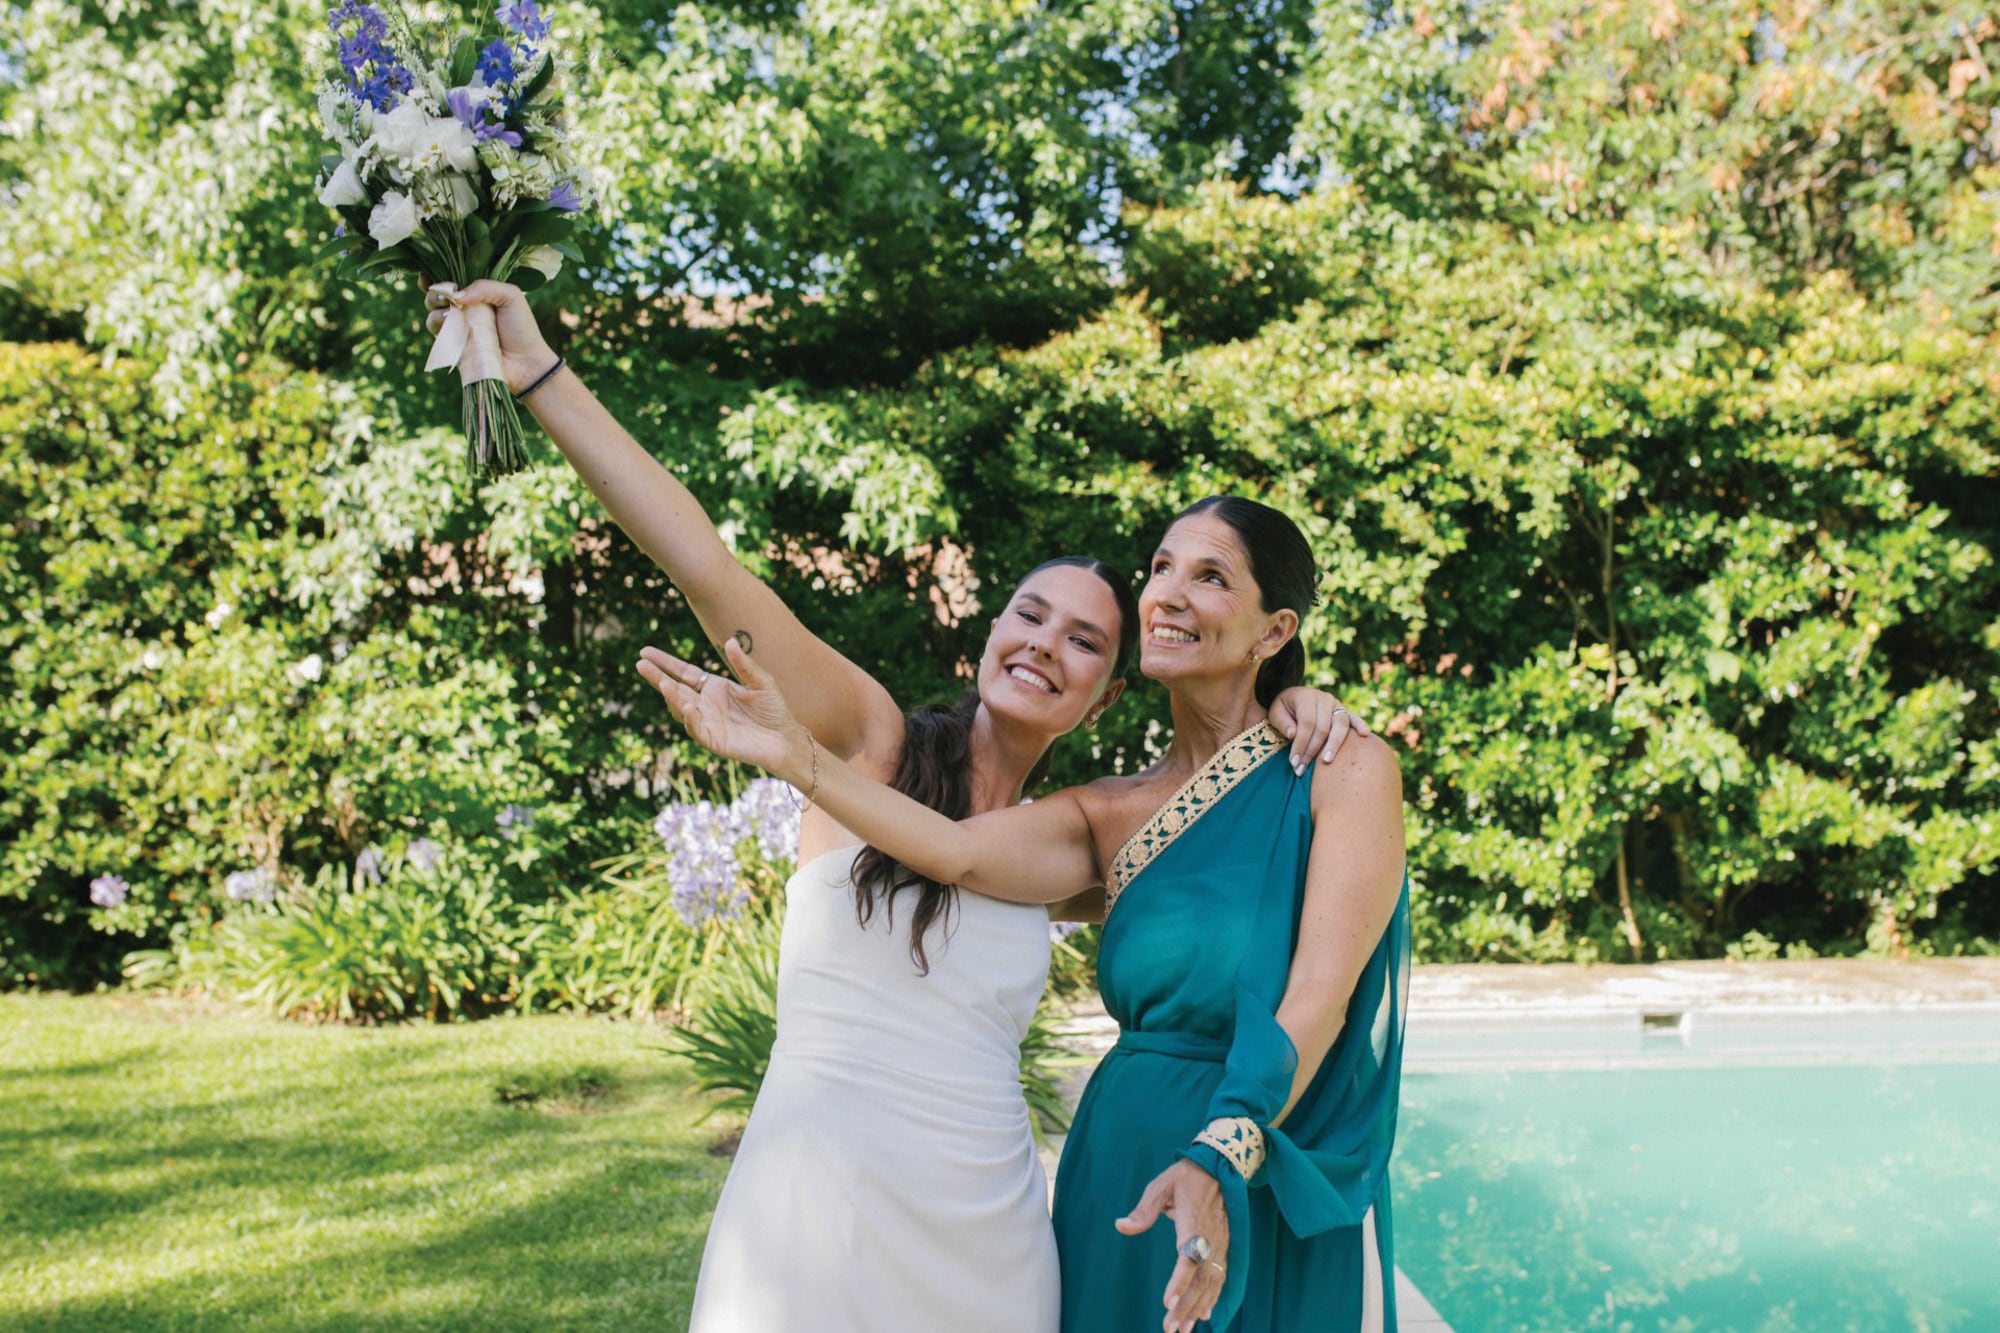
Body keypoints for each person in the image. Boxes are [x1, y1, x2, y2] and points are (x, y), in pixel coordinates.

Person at [418, 283, 1368, 1332]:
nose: (1042, 646)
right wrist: (539, 376)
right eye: (1028, 613)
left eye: (1084, 642)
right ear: (988, 628)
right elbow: (703, 566)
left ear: (1108, 690)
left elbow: (1236, 881)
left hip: (990, 1236)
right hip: (813, 1207)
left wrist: (1295, 702)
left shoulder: (1084, 842)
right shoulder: (868, 740)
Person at [640, 495, 1409, 1333]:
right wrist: (799, 757)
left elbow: (1322, 996)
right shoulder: (1108, 812)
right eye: (1161, 568)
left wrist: (1223, 1150)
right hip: (1118, 1161)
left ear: (1273, 630)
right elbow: (953, 849)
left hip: (1246, 1154)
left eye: (1212, 575)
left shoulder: (1344, 765)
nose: (1170, 592)